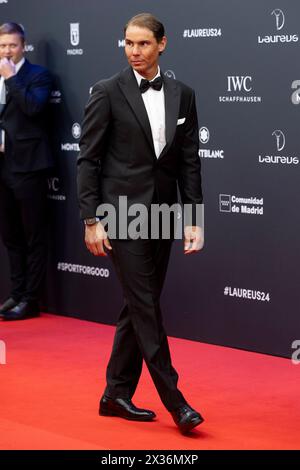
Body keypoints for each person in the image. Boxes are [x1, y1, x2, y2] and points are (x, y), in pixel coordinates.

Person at [77, 13, 204, 433]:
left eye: (143, 44)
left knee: (138, 304)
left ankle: (115, 393)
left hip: (163, 214)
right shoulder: (108, 92)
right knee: (147, 306)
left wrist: (193, 217)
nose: (134, 51)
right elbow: (88, 159)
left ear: (162, 45)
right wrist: (92, 217)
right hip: (121, 214)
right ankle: (177, 402)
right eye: (128, 43)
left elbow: (189, 161)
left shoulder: (183, 95)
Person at [0, 23, 53, 321]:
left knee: (33, 235)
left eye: (12, 46)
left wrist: (11, 79)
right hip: (3, 167)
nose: (7, 51)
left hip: (29, 166)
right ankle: (16, 293)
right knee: (10, 235)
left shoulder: (38, 76)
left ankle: (31, 300)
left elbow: (33, 109)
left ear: (24, 47)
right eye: (2, 46)